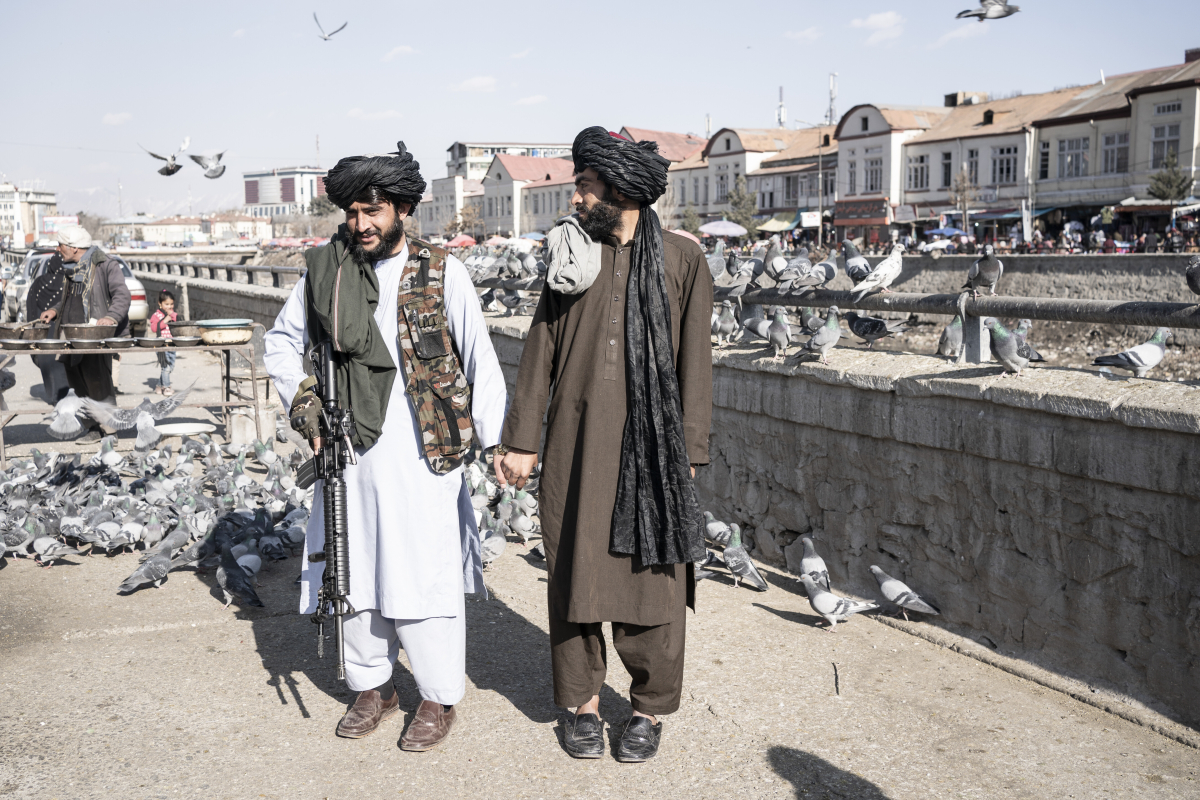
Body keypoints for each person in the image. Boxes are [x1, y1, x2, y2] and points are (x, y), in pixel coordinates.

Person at [263, 141, 507, 751]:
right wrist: (306, 405)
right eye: (351, 212)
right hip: (348, 450)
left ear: (401, 208)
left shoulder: (442, 270)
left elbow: (481, 358)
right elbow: (280, 344)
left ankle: (436, 695)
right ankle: (372, 685)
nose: (360, 224)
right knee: (352, 565)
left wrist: (499, 441)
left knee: (424, 573)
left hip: (424, 451)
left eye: (372, 211)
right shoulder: (328, 270)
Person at [498, 127, 713, 763]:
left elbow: (695, 363)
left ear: (620, 190)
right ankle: (581, 704)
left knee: (655, 577)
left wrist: (690, 454)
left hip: (654, 449)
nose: (575, 197)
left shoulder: (682, 260)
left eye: (584, 186)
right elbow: (541, 354)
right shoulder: (570, 256)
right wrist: (522, 440)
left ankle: (648, 709)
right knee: (573, 569)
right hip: (574, 439)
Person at [38, 226, 130, 441]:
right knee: (78, 384)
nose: (58, 249)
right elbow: (70, 300)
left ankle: (110, 431)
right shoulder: (72, 267)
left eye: (60, 245)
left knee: (98, 383)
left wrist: (112, 317)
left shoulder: (106, 264)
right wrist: (55, 310)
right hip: (71, 337)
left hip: (94, 336)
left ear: (74, 247)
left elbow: (122, 294)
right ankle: (92, 428)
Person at [148, 289, 177, 395]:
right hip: (161, 344)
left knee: (171, 366)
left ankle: (159, 386)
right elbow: (154, 328)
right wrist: (165, 320)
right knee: (166, 366)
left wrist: (173, 316)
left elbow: (178, 322)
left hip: (172, 344)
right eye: (166, 304)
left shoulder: (173, 315)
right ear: (160, 304)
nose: (169, 307)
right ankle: (166, 387)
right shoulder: (156, 315)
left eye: (171, 304)